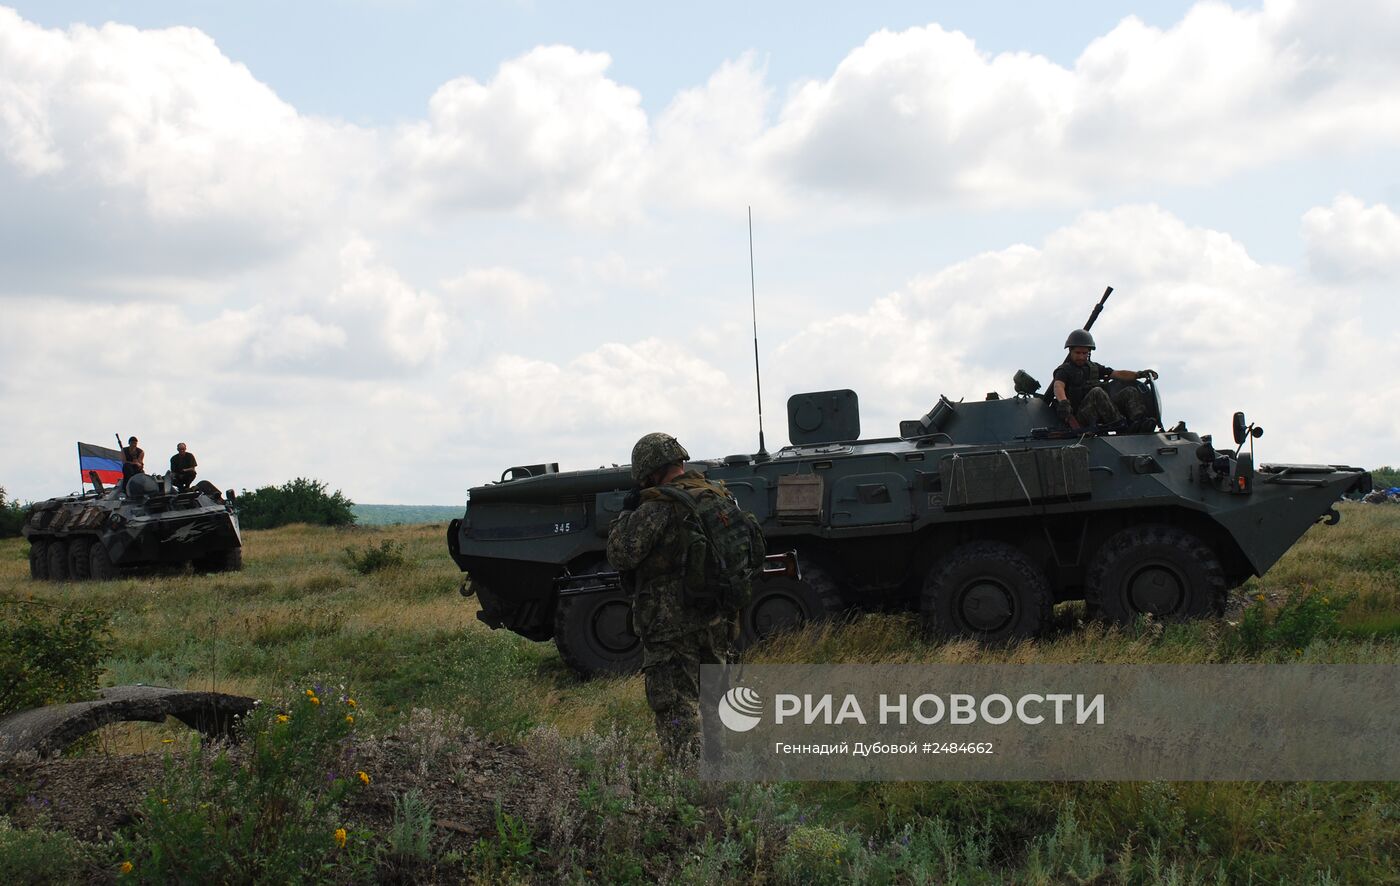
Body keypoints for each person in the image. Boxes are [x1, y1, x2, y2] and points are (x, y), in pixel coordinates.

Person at [606, 432, 742, 762]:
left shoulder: (657, 507)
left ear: (650, 470)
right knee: (714, 703)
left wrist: (625, 516)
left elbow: (621, 554)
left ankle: (687, 786)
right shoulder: (719, 496)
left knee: (676, 705)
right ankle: (720, 776)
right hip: (716, 618)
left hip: (670, 626)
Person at [1052, 330, 1159, 432]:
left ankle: (1139, 421)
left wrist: (1138, 374)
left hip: (1101, 411)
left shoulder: (1093, 368)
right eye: (1078, 353)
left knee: (1130, 391)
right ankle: (1119, 424)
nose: (1081, 356)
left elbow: (1118, 374)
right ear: (1070, 351)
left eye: (1084, 353)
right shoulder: (1065, 370)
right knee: (1097, 392)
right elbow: (1058, 386)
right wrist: (1064, 402)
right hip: (1081, 415)